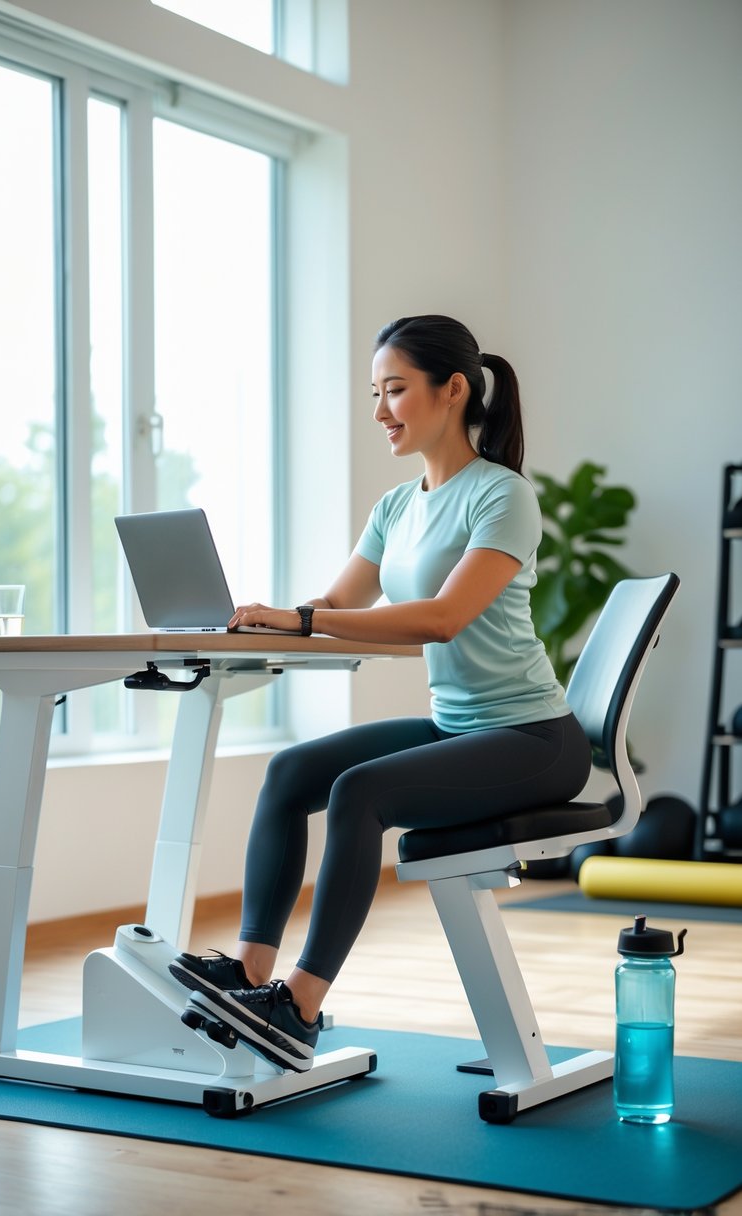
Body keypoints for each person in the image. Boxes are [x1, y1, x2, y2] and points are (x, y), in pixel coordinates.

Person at [168, 314, 592, 1073]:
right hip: (458, 727)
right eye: (375, 392)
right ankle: (252, 972)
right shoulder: (396, 508)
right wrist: (260, 623)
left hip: (534, 739)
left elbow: (441, 618)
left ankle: (298, 1007)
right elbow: (338, 604)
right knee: (291, 772)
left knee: (360, 793)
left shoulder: (501, 497)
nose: (380, 412)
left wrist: (303, 619)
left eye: (395, 390)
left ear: (452, 389)